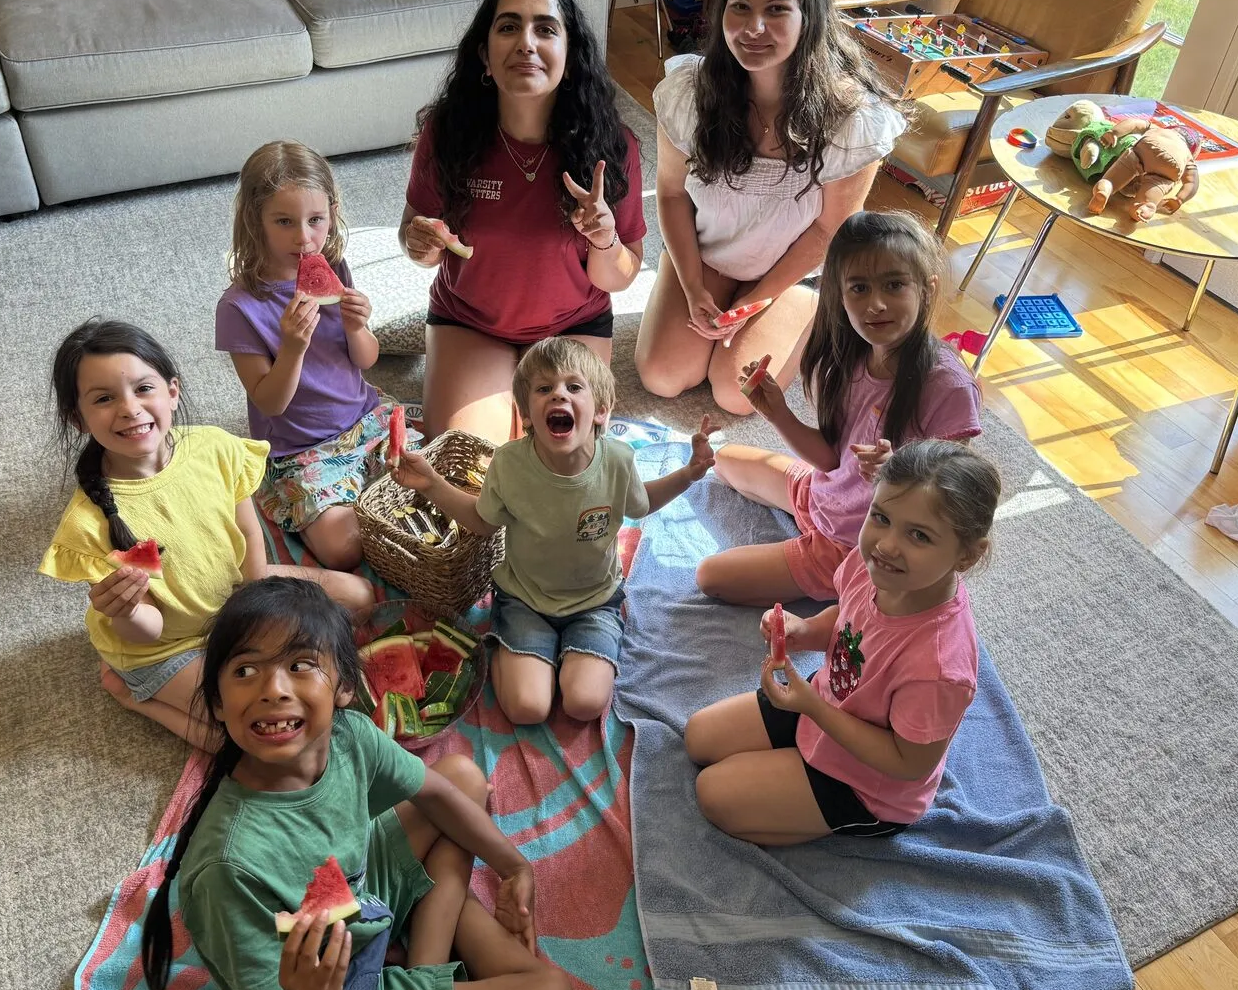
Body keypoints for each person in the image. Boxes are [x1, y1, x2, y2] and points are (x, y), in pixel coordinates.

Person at [139, 578, 573, 990]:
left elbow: (438, 794)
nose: (273, 689)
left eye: (300, 665)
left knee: (462, 778)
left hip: (358, 892)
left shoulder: (349, 735)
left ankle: (424, 970)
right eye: (246, 670)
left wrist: (515, 868)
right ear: (217, 702)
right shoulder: (227, 868)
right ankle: (424, 972)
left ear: (346, 686)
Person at [39, 320, 375, 748]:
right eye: (104, 399)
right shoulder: (88, 526)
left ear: (172, 392)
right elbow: (151, 630)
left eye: (144, 389)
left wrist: (263, 615)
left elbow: (251, 547)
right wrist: (123, 612)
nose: (129, 409)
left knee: (360, 598)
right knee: (244, 740)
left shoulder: (214, 448)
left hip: (237, 592)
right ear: (78, 418)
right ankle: (136, 697)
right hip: (166, 646)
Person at [635, 0, 906, 414]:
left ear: (810, 19)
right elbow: (672, 194)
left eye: (777, 10)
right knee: (662, 376)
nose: (753, 27)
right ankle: (701, 294)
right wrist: (693, 285)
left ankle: (813, 312)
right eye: (739, 7)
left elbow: (830, 231)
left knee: (735, 396)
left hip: (790, 273)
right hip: (710, 256)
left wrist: (758, 301)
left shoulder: (852, 118)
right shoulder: (689, 93)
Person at [685, 441, 1001, 844]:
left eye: (919, 535)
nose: (887, 545)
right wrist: (807, 630)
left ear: (967, 557)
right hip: (829, 701)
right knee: (698, 737)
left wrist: (811, 707)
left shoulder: (939, 666)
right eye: (881, 517)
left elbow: (909, 763)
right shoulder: (872, 565)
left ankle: (843, 816)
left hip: (869, 786)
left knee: (713, 793)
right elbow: (849, 614)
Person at [392, 338, 714, 725]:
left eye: (574, 387)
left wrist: (689, 474)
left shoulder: (618, 460)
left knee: (583, 703)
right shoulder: (508, 463)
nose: (559, 394)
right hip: (524, 600)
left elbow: (640, 503)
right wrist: (430, 484)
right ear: (527, 414)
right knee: (528, 709)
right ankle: (517, 654)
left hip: (595, 603)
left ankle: (562, 656)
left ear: (601, 412)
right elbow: (482, 521)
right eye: (544, 389)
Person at [399, 0, 647, 443]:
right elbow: (417, 240)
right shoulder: (446, 133)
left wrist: (604, 239)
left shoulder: (613, 146)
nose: (526, 43)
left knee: (561, 467)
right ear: (484, 56)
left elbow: (618, 275)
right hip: (469, 322)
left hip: (575, 326)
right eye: (508, 27)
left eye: (546, 29)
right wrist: (420, 241)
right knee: (470, 469)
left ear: (570, 58)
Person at [697, 211, 981, 608]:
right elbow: (831, 460)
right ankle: (809, 522)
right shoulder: (854, 357)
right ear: (839, 296)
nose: (876, 304)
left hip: (856, 544)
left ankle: (841, 580)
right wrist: (778, 412)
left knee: (710, 576)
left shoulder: (948, 386)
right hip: (823, 494)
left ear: (927, 290)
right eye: (859, 288)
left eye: (895, 285)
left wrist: (900, 474)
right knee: (721, 460)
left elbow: (961, 500)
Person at [217, 141, 416, 572]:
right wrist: (292, 348)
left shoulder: (335, 266)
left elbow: (365, 361)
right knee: (344, 549)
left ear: (332, 211)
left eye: (315, 220)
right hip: (301, 450)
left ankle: (367, 498)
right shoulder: (238, 308)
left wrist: (358, 327)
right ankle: (317, 511)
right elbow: (270, 402)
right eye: (284, 222)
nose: (304, 238)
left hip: (367, 420)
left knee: (443, 489)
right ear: (256, 220)